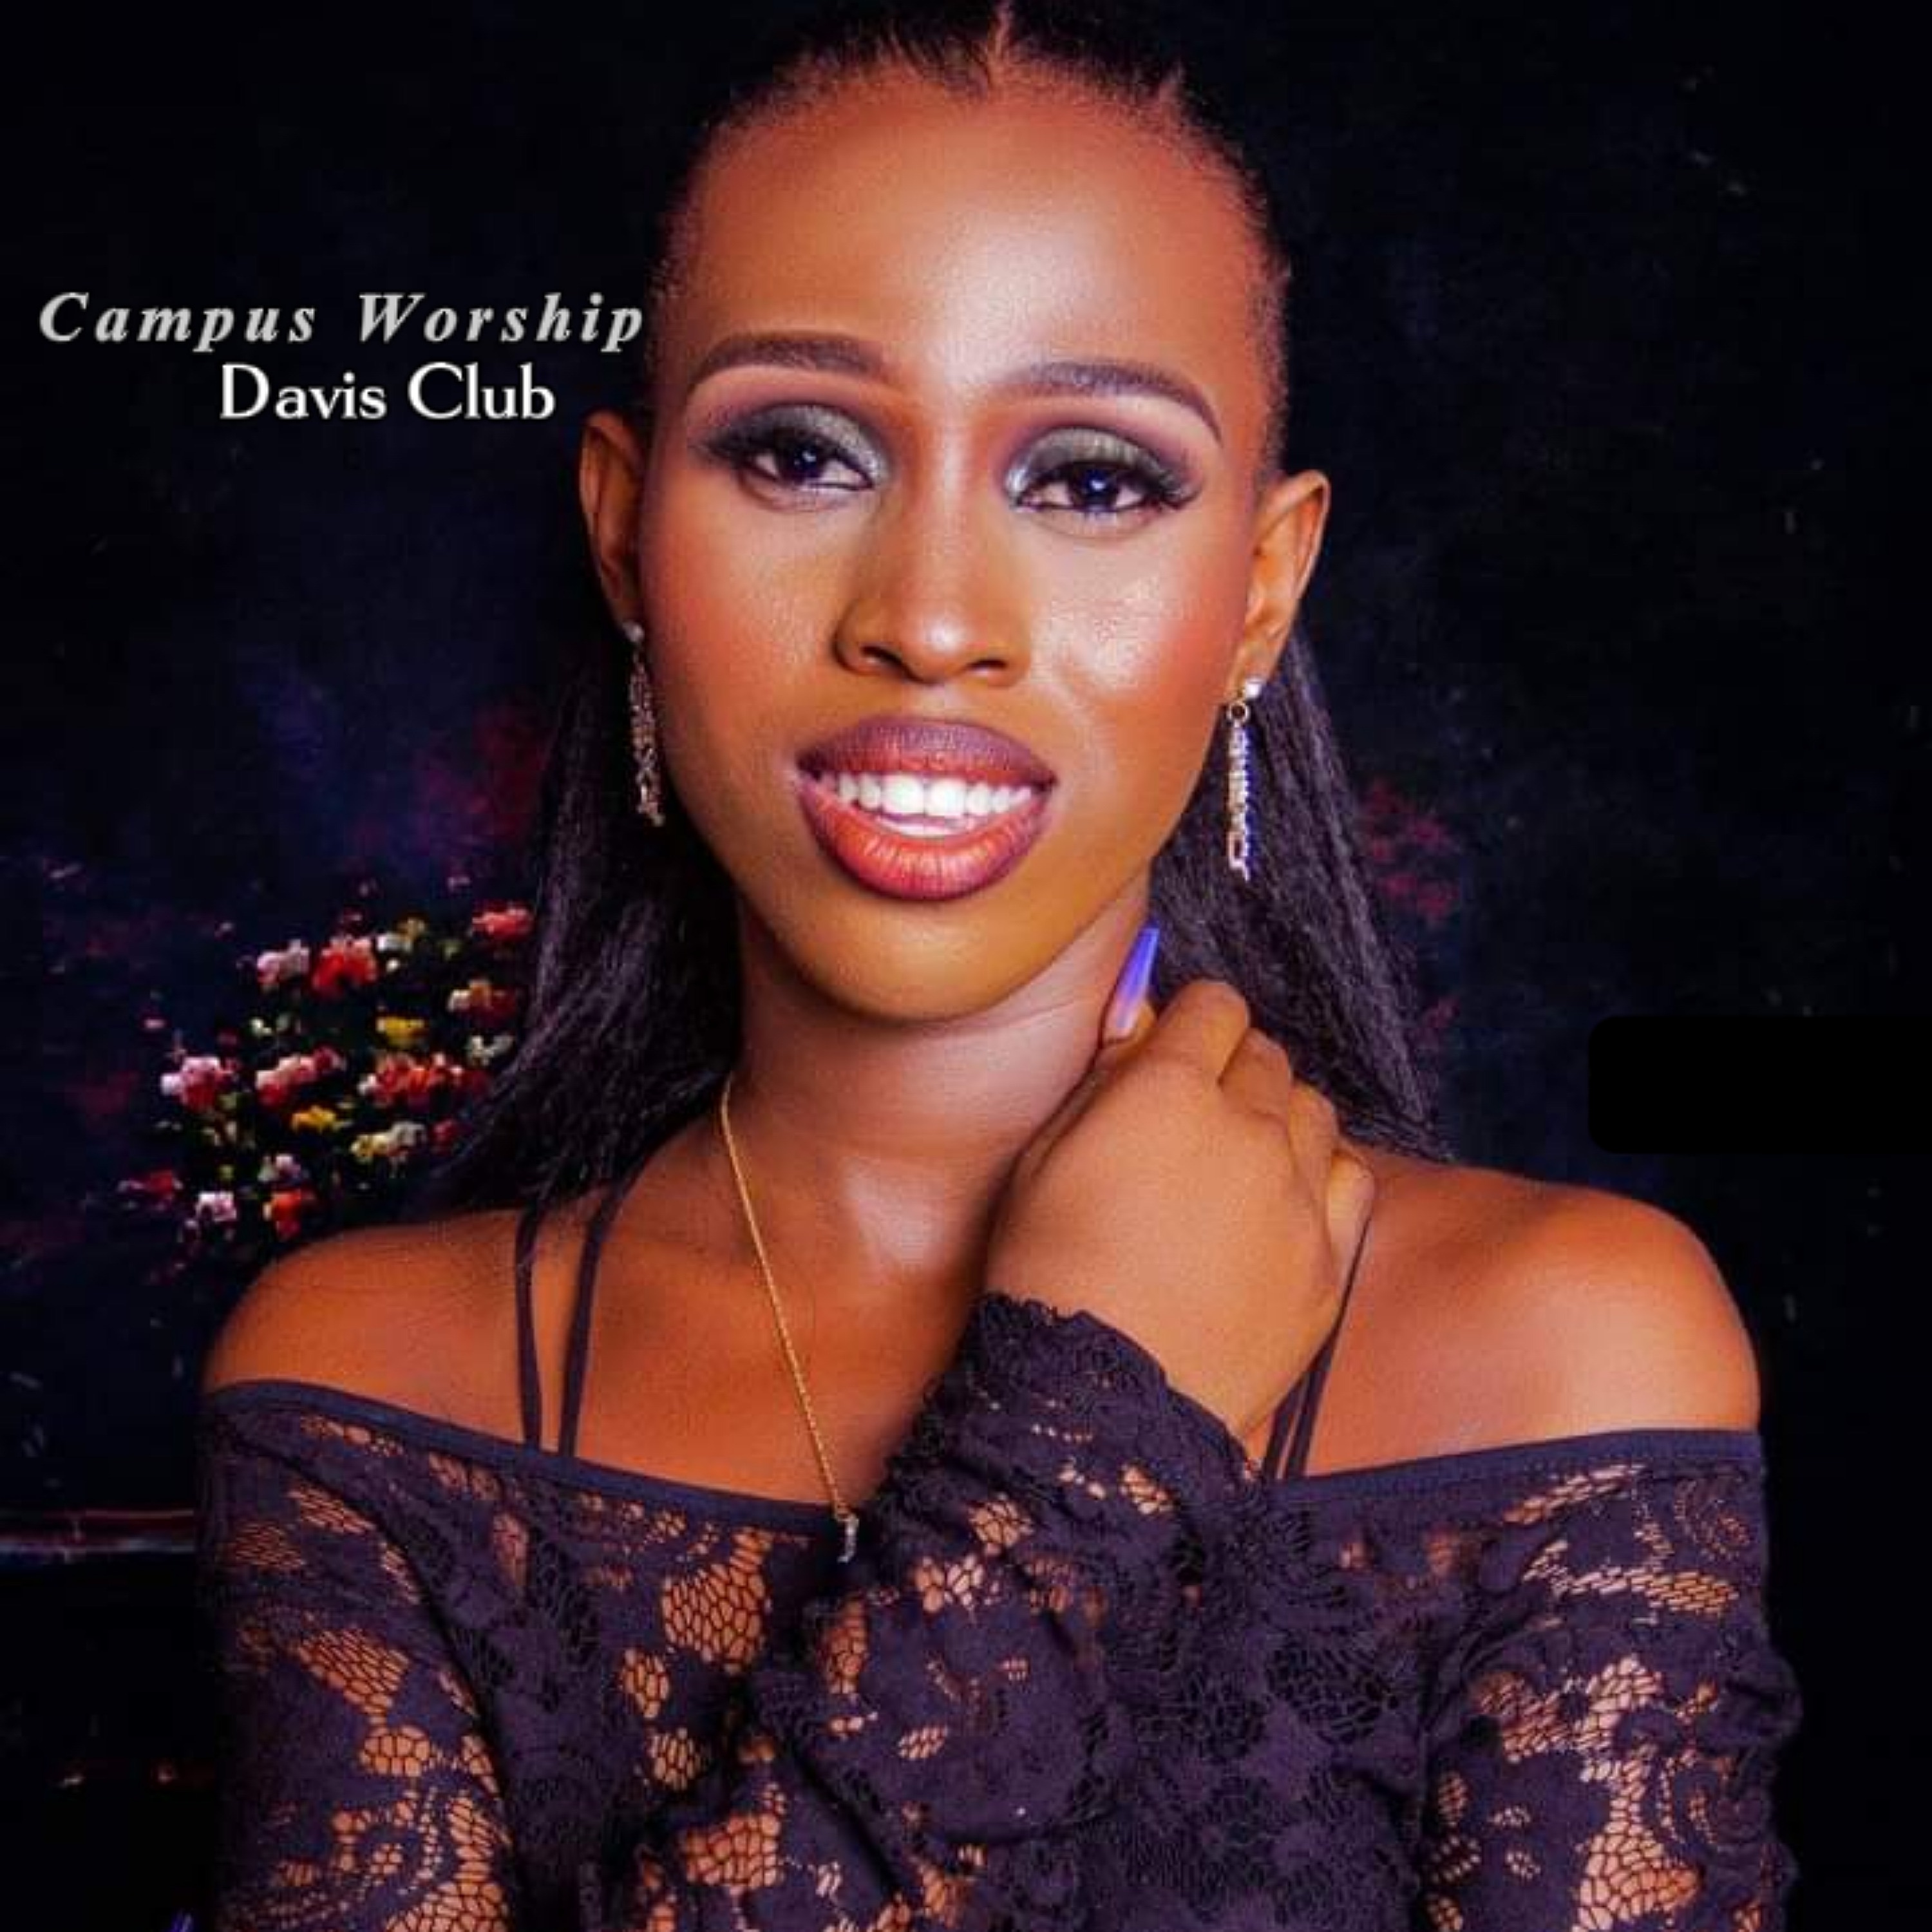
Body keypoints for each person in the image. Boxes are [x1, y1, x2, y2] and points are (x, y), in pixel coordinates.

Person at [192, 3, 1804, 1927]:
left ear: (1261, 594)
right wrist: (1078, 1453)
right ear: (625, 540)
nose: (934, 618)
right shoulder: (370, 1384)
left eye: (1093, 480)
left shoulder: (1563, 1349)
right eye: (801, 453)